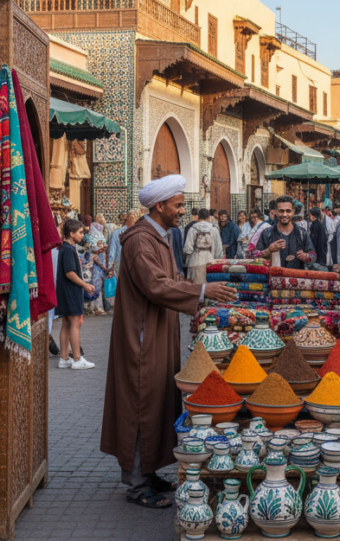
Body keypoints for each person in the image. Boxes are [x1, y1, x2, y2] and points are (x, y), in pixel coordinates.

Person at [100, 175, 237, 509]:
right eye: (177, 205)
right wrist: (202, 291)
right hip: (142, 336)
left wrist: (198, 290)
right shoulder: (139, 241)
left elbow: (171, 280)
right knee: (140, 402)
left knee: (157, 400)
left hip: (157, 331)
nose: (182, 211)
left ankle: (147, 472)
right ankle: (136, 484)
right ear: (159, 206)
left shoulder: (161, 236)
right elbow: (157, 286)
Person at [56, 220, 96, 370]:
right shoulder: (68, 249)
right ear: (72, 234)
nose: (82, 235)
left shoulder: (65, 248)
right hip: (70, 291)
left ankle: (64, 358)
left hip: (65, 290)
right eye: (80, 232)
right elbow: (70, 272)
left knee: (66, 323)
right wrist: (85, 285)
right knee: (74, 323)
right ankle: (77, 358)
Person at [248, 195, 316, 269]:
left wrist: (307, 257)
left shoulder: (302, 233)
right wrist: (268, 250)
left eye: (288, 211)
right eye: (281, 211)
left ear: (293, 212)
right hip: (273, 278)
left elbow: (313, 255)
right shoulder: (267, 233)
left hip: (296, 278)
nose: (284, 214)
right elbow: (254, 256)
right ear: (276, 212)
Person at [184, 208, 223, 283]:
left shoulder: (192, 229)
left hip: (195, 260)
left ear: (198, 217)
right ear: (209, 217)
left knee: (195, 288)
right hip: (210, 260)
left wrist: (186, 262)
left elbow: (187, 249)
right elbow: (219, 250)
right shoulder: (214, 229)